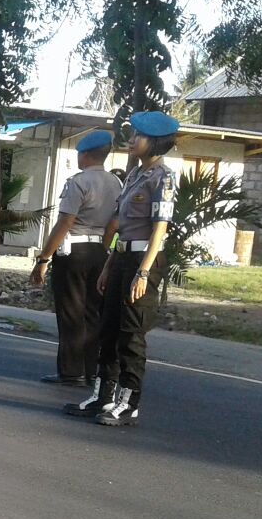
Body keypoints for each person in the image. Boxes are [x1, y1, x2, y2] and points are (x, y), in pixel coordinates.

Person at [66, 111, 180, 425]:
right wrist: (108, 268)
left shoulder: (163, 177)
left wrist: (143, 273)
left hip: (144, 260)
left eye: (138, 136)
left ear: (155, 142)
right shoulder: (133, 175)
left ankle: (129, 404)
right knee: (108, 329)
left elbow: (159, 229)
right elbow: (122, 229)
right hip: (121, 258)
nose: (132, 140)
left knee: (131, 335)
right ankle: (103, 397)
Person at [33, 130, 122, 386]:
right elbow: (114, 223)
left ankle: (71, 372)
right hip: (99, 251)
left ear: (84, 155)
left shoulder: (78, 182)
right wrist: (103, 249)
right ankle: (91, 370)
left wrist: (43, 258)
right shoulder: (116, 183)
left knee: (71, 312)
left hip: (73, 252)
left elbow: (65, 222)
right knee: (92, 312)